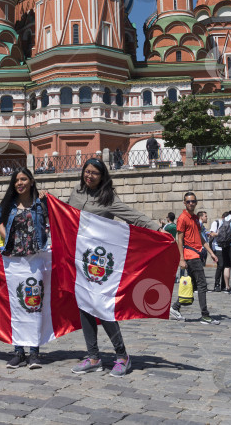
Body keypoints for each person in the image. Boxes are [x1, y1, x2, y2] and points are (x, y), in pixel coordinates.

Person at [56, 157, 163, 377]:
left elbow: (132, 216)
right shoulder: (76, 193)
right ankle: (93, 356)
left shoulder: (109, 198)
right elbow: (64, 217)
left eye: (95, 173)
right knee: (84, 307)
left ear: (102, 176)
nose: (89, 176)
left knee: (104, 309)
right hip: (79, 261)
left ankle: (122, 356)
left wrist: (157, 228)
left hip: (100, 263)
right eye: (87, 172)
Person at [0, 168, 48, 369]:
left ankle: (34, 352)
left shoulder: (42, 203)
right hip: (13, 262)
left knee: (34, 305)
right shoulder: (8, 205)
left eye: (23, 179)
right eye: (16, 180)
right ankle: (18, 351)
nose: (19, 183)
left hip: (35, 260)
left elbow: (60, 222)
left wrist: (46, 201)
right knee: (15, 306)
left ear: (31, 181)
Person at [169, 192, 220, 325]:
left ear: (196, 202)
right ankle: (205, 315)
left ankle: (175, 307)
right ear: (184, 203)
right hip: (191, 256)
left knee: (192, 285)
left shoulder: (195, 219)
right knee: (202, 284)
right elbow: (179, 240)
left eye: (193, 201)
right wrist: (181, 259)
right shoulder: (182, 218)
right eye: (188, 201)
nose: (191, 203)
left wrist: (211, 253)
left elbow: (201, 238)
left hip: (196, 254)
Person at [210, 211, 228, 291]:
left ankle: (224, 285)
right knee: (220, 265)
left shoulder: (228, 224)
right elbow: (212, 234)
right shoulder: (216, 222)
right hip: (217, 247)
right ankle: (216, 284)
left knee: (225, 266)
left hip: (225, 247)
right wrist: (221, 233)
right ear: (223, 217)